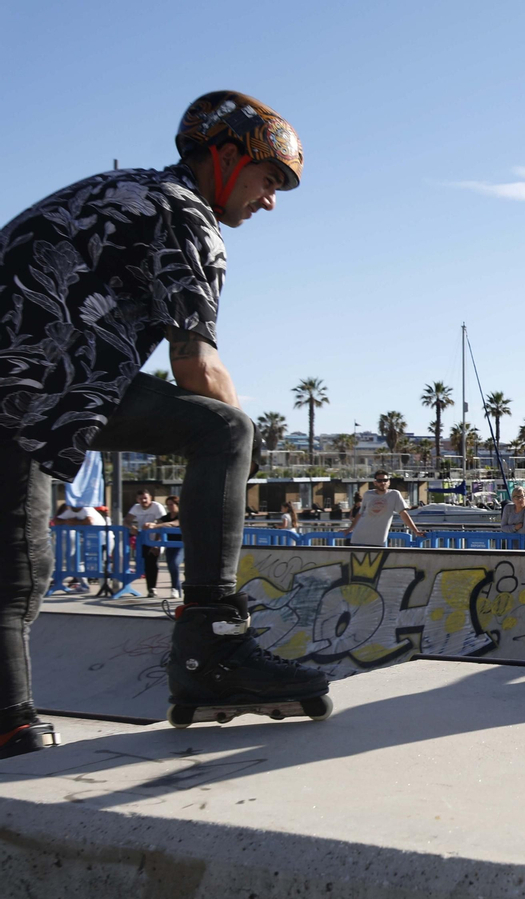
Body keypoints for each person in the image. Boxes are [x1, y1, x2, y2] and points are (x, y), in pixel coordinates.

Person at [0, 91, 328, 752]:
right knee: (226, 431)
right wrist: (246, 451)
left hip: (29, 391)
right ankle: (213, 651)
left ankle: (12, 725)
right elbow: (196, 365)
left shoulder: (117, 189)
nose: (270, 201)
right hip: (37, 386)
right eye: (269, 179)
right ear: (225, 158)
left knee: (15, 574)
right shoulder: (184, 213)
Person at [346, 471, 423, 546]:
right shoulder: (368, 494)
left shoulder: (394, 494)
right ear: (375, 483)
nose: (382, 483)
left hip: (378, 540)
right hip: (359, 537)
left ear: (389, 482)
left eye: (385, 480)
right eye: (379, 481)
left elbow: (403, 514)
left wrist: (416, 531)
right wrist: (349, 529)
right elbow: (360, 514)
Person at [125, 490, 166, 598]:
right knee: (144, 563)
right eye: (141, 498)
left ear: (150, 498)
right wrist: (131, 527)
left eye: (145, 498)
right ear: (137, 500)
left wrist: (156, 543)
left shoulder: (157, 507)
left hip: (156, 538)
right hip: (143, 539)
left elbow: (162, 523)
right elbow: (126, 520)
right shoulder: (136, 507)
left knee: (152, 562)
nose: (143, 500)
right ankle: (146, 587)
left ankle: (152, 588)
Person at [155, 496, 184, 600]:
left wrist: (155, 526)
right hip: (170, 546)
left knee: (175, 563)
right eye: (168, 505)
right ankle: (176, 588)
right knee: (171, 566)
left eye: (172, 504)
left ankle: (176, 588)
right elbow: (158, 529)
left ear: (177, 505)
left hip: (181, 545)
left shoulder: (182, 516)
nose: (170, 507)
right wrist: (156, 544)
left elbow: (175, 523)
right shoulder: (165, 517)